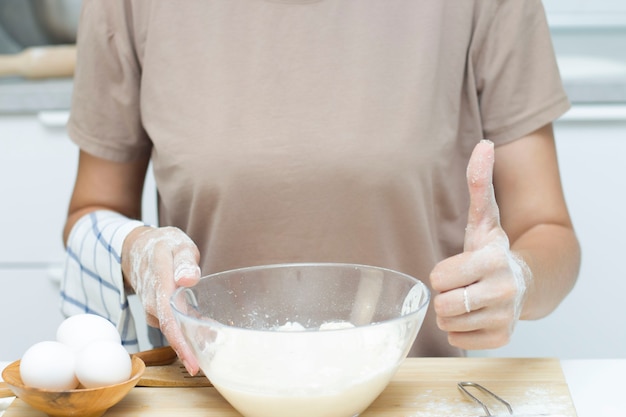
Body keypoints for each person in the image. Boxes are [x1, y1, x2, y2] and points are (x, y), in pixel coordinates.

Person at [61, 0, 581, 376]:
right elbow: (93, 212)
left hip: (413, 395)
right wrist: (136, 252)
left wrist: (517, 281)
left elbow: (548, 230)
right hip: (209, 394)